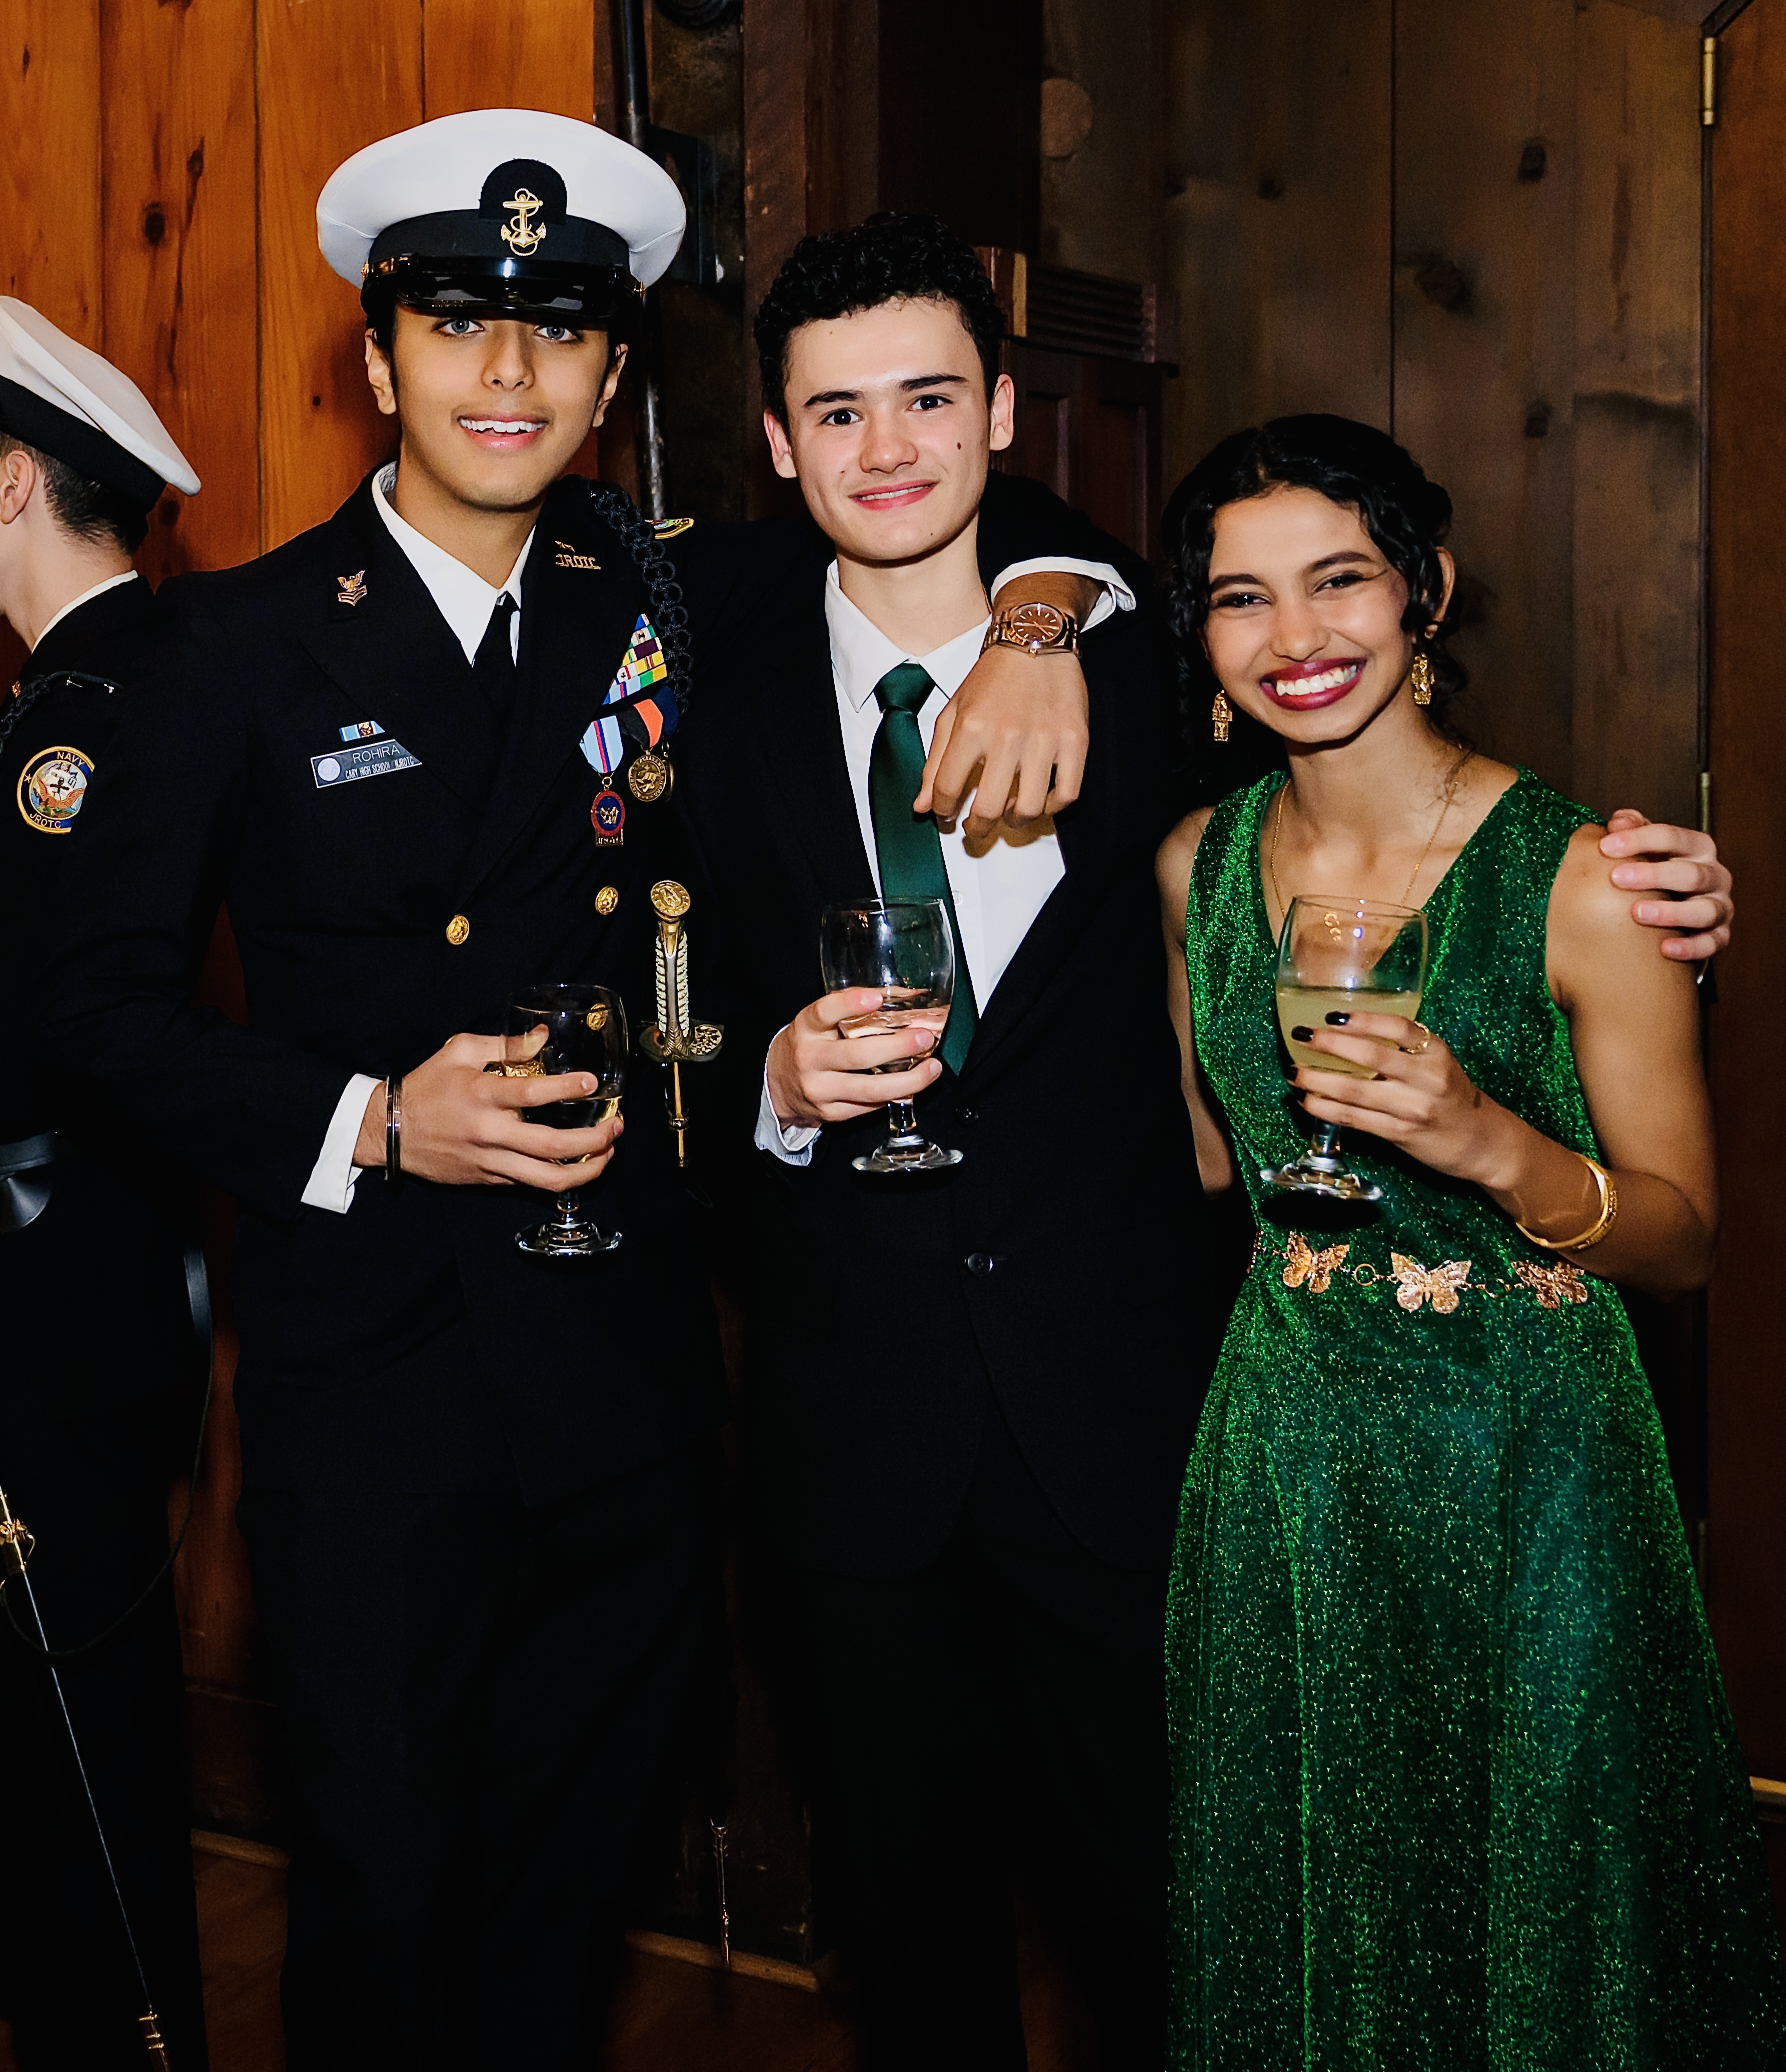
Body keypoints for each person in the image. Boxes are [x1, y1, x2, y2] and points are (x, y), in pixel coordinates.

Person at [44, 114, 1119, 2068]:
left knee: (564, 1897)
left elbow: (942, 508)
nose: (509, 373)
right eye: (459, 324)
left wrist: (1045, 608)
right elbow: (85, 1008)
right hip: (371, 1384)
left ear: (615, 376)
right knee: (379, 1893)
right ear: (379, 362)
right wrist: (369, 1116)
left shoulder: (660, 600)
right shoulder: (231, 650)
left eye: (558, 332)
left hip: (620, 1385)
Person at [1153, 414, 1784, 2068]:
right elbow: (1218, 1166)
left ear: (1423, 591)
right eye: (1241, 599)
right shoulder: (1194, 867)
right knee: (1305, 1902)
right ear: (1201, 639)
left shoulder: (1585, 879)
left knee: (1549, 1911)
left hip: (1533, 1477)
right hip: (1287, 1475)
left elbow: (1684, 1240)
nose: (1296, 639)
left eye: (1339, 580)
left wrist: (1487, 1145)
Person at [668, 210, 1218, 2072]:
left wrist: (1613, 878)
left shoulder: (1142, 660)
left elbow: (1362, 786)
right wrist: (771, 1089)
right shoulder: (707, 686)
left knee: (1170, 1921)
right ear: (774, 445)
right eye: (835, 412)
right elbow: (650, 1017)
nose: (884, 448)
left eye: (925, 397)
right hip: (852, 1432)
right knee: (909, 1954)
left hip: (1119, 1415)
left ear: (1002, 410)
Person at [0, 301, 210, 2068]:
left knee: (75, 1768)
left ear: (7, 479)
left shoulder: (81, 717)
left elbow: (52, 1033)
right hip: (111, 1284)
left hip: (50, 1300)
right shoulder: (137, 674)